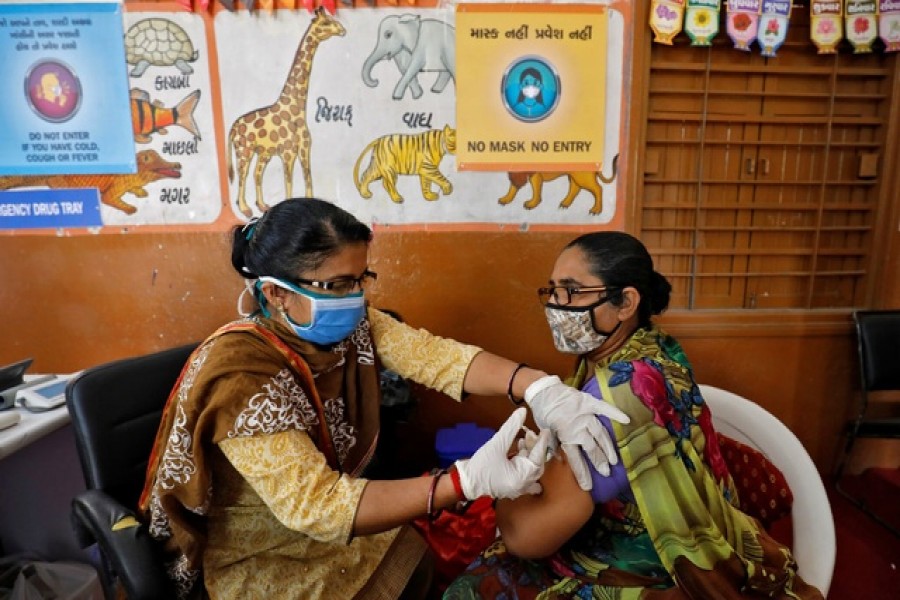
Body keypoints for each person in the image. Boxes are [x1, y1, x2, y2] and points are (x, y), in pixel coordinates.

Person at [138, 198, 629, 599]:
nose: (354, 297)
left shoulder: (348, 330)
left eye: (360, 279)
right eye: (336, 284)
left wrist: (537, 386)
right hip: (259, 553)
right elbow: (319, 506)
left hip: (322, 529)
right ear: (277, 293)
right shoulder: (240, 375)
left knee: (416, 560)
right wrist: (466, 481)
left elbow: (438, 358)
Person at [444, 231, 824, 599]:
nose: (556, 306)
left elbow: (528, 537)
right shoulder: (654, 351)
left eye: (572, 291)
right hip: (688, 535)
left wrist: (503, 490)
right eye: (553, 290)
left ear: (626, 303)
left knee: (472, 587)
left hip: (653, 569)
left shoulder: (617, 395)